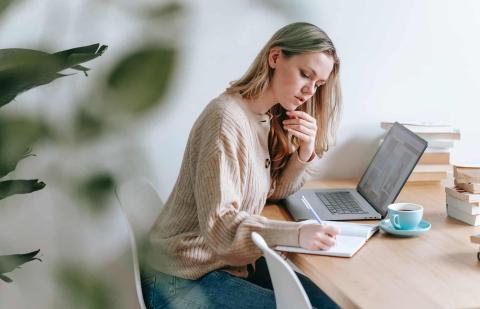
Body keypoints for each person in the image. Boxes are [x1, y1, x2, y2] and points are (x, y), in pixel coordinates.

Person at [143, 22, 342, 308]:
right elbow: (220, 227)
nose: (310, 90)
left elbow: (271, 192)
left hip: (223, 265)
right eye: (305, 75)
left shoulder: (262, 117)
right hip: (179, 278)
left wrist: (304, 153)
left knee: (328, 303)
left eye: (318, 84)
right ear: (275, 58)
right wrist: (296, 234)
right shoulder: (225, 119)